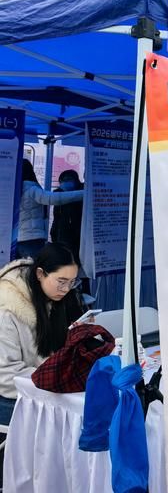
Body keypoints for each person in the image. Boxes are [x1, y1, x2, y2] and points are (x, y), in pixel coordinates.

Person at [0, 243, 86, 423]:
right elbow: (6, 376)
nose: (66, 289)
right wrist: (55, 378)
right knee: (73, 418)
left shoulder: (49, 296)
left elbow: (51, 351)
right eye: (61, 281)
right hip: (9, 395)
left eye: (72, 282)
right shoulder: (7, 310)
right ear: (40, 274)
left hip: (37, 386)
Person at [17, 160, 84, 260]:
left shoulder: (14, 190)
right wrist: (85, 193)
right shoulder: (31, 189)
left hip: (16, 239)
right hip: (32, 239)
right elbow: (54, 198)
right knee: (37, 268)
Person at [50, 170, 84, 262]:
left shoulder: (83, 194)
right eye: (63, 180)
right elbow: (56, 217)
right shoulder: (59, 196)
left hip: (80, 236)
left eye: (69, 179)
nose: (65, 182)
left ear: (76, 181)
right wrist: (53, 233)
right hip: (63, 236)